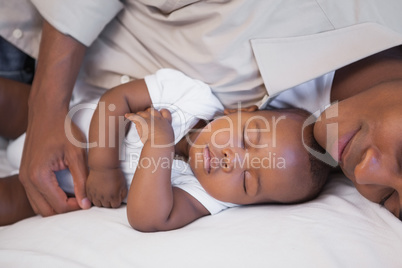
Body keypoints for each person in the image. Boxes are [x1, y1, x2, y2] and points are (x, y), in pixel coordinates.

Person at [1, 0, 402, 221]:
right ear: (236, 112)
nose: (365, 175)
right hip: (28, 41)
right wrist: (46, 108)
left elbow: (153, 217)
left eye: (387, 199)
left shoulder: (297, 170)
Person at [0, 69, 330, 230]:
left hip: (65, 188)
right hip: (59, 123)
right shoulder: (190, 95)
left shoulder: (209, 197)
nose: (234, 159)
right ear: (238, 112)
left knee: (9, 203)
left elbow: (149, 218)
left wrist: (160, 146)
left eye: (247, 181)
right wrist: (103, 167)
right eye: (247, 137)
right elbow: (116, 100)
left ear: (250, 204)